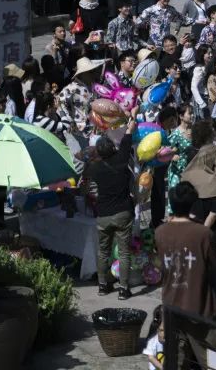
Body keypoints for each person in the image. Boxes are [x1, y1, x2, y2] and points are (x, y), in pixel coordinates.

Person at [155, 182, 216, 367]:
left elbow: (161, 268)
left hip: (172, 306)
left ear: (171, 204)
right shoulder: (203, 233)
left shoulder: (160, 232)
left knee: (175, 362)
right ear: (193, 203)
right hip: (202, 307)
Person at [86, 114, 139, 299]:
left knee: (103, 251)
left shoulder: (94, 169)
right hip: (123, 212)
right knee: (124, 252)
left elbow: (89, 191)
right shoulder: (122, 158)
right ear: (113, 148)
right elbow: (128, 134)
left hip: (103, 214)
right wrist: (132, 117)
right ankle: (123, 289)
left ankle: (102, 286)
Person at [182, 121, 216, 243]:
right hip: (213, 193)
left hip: (194, 196)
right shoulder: (212, 151)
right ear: (209, 135)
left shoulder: (190, 151)